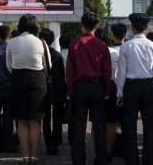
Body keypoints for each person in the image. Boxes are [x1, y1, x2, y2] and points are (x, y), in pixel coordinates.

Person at [66, 13, 111, 165]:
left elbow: (70, 71)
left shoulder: (75, 44)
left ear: (81, 24)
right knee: (99, 127)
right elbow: (107, 71)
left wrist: (71, 90)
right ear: (96, 26)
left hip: (80, 88)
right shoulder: (102, 45)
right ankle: (101, 159)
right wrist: (106, 91)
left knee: (79, 126)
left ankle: (79, 160)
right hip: (98, 86)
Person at [6, 15, 51, 164]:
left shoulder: (11, 42)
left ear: (20, 26)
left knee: (21, 121)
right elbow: (49, 65)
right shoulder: (41, 43)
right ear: (35, 26)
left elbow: (9, 65)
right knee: (35, 121)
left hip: (18, 81)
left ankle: (25, 156)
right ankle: (34, 156)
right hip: (37, 83)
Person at [116, 13, 153, 165]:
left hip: (131, 87)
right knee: (150, 127)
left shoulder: (126, 46)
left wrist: (119, 92)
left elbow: (121, 72)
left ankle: (132, 160)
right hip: (149, 87)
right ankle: (149, 160)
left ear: (132, 27)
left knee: (129, 127)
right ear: (147, 27)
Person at [39, 28, 67, 155]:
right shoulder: (57, 55)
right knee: (57, 117)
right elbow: (62, 75)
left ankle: (48, 142)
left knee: (45, 118)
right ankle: (57, 140)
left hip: (44, 90)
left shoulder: (39, 55)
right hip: (58, 89)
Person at [106, 23, 127, 163]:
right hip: (128, 88)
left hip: (112, 88)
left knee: (111, 122)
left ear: (112, 35)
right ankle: (127, 151)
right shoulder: (130, 49)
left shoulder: (108, 51)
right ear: (125, 35)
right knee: (127, 122)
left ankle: (108, 152)